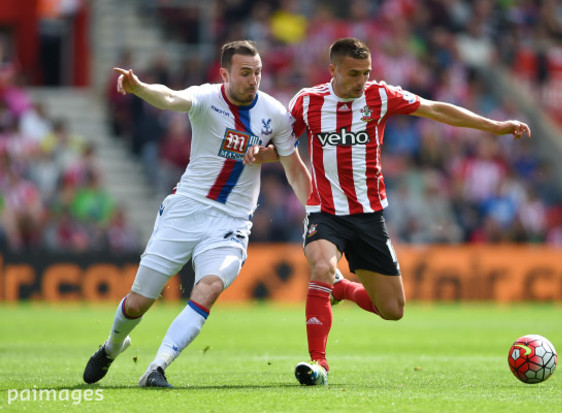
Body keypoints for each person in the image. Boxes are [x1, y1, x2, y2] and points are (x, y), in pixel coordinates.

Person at [246, 37, 530, 386]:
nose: (361, 80)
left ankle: (343, 290)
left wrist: (495, 126)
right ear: (332, 70)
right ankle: (318, 363)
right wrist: (263, 153)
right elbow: (285, 146)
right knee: (321, 266)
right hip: (325, 212)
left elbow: (436, 108)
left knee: (392, 310)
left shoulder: (379, 96)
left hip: (369, 217)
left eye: (366, 73)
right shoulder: (307, 102)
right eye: (353, 73)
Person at [82, 40, 311, 388]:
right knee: (138, 303)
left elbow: (294, 169)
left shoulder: (275, 114)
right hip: (186, 210)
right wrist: (140, 87)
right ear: (225, 73)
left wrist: (317, 213)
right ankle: (112, 347)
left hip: (232, 222)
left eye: (258, 72)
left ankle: (156, 367)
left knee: (209, 286)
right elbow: (172, 98)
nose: (254, 79)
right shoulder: (206, 98)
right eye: (245, 72)